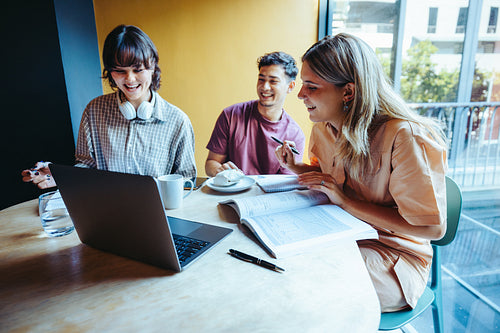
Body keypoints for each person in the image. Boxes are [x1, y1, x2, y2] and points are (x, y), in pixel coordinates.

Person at [275, 33, 448, 312]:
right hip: (343, 236)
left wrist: (346, 202)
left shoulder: (405, 137)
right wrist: (296, 167)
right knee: (280, 264)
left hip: (394, 257)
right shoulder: (323, 125)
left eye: (311, 86)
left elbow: (432, 228)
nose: (300, 95)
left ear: (348, 92)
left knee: (303, 288)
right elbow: (330, 180)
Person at [22, 25, 197, 189]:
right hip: (105, 211)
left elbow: (187, 183)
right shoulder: (94, 111)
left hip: (158, 215)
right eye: (120, 71)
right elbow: (87, 166)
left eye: (138, 70)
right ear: (110, 72)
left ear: (153, 67)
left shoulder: (177, 121)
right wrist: (61, 177)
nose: (129, 79)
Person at [205, 51, 305, 177]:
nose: (265, 87)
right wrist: (219, 172)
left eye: (273, 81)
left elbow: (284, 182)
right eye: (261, 79)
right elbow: (212, 162)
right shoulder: (230, 115)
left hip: (268, 196)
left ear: (290, 86)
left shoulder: (295, 135)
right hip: (232, 191)